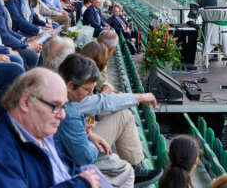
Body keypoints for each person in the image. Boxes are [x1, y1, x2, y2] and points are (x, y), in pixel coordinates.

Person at [0, 67, 105, 188]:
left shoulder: (42, 134)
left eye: (63, 106)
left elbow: (64, 170)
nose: (63, 115)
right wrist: (81, 184)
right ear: (26, 102)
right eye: (55, 106)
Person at [56, 55, 163, 187]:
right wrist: (92, 141)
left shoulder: (56, 90)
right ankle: (134, 170)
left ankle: (135, 168)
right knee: (126, 169)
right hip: (69, 164)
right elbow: (85, 158)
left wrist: (89, 134)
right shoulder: (67, 110)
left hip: (67, 150)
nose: (90, 94)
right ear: (71, 85)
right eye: (87, 90)